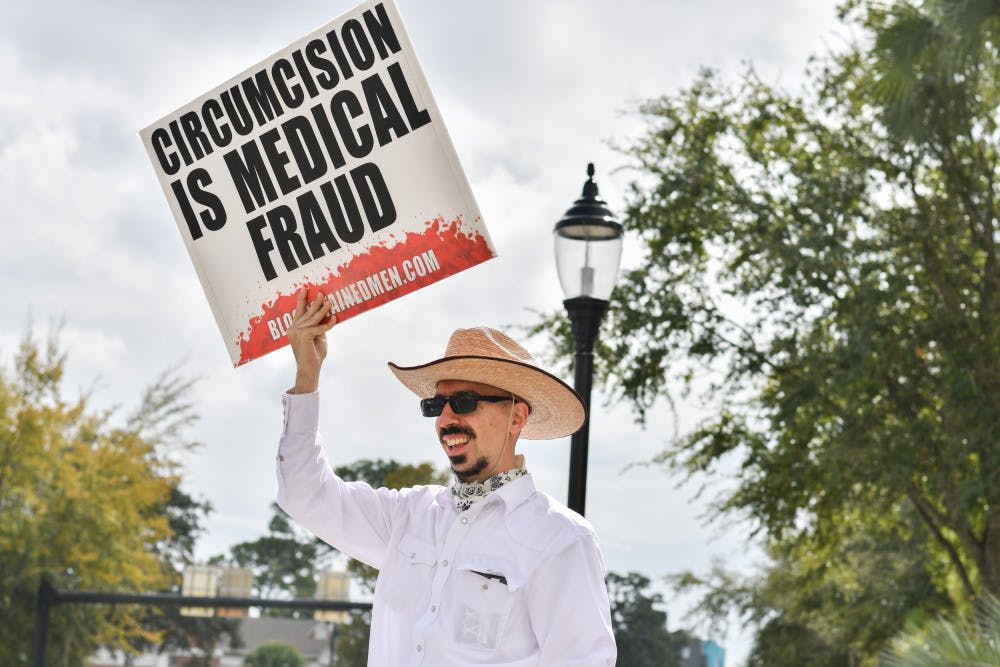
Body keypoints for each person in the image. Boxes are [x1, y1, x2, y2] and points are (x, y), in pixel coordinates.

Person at [276, 288, 617, 665]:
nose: (446, 419)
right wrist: (307, 374)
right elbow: (303, 494)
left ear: (516, 418)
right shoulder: (409, 515)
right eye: (436, 404)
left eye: (465, 402)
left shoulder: (560, 538)